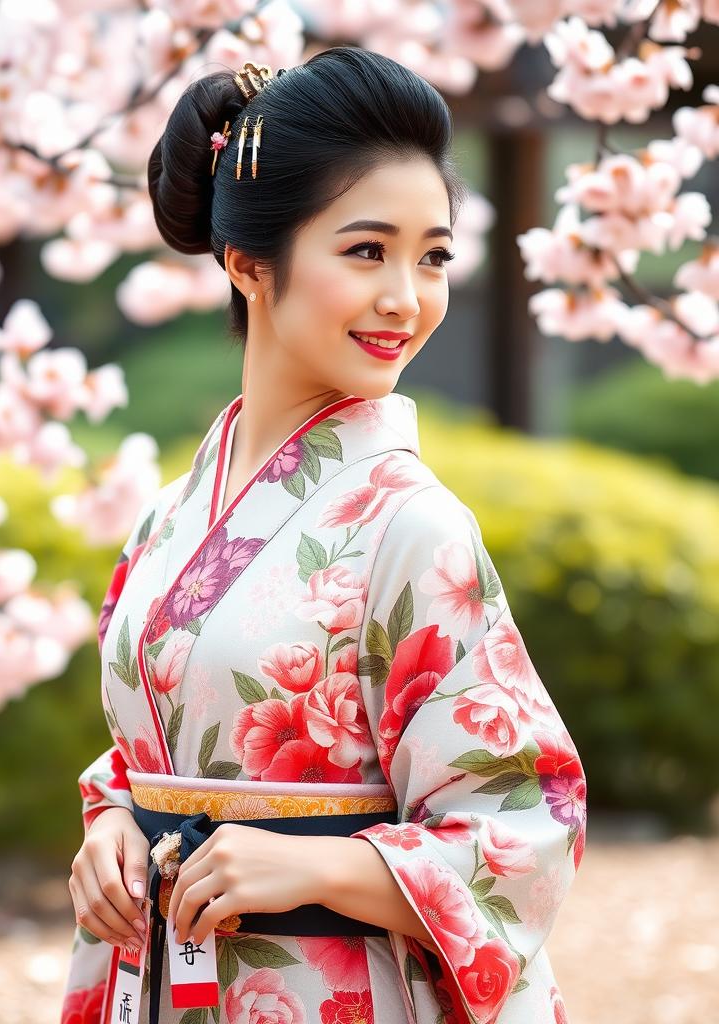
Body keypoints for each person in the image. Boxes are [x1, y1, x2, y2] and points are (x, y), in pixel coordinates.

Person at [60, 45, 586, 1024]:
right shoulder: (167, 518)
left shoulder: (411, 525)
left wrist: (314, 864)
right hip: (170, 977)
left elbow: (522, 824)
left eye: (431, 255)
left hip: (330, 989)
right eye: (364, 250)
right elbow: (144, 754)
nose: (406, 297)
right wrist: (111, 831)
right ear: (248, 262)